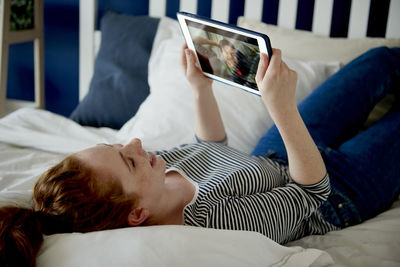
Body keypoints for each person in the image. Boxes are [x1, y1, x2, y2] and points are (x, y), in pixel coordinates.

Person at [1, 45, 400, 267]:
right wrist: (281, 109)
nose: (136, 144)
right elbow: (311, 191)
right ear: (136, 214)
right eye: (128, 161)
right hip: (336, 191)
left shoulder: (153, 176)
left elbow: (209, 151)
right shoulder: (216, 222)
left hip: (276, 153)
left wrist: (199, 88)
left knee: (382, 61)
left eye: (118, 146)